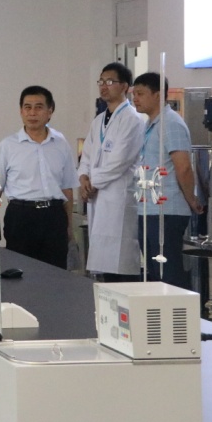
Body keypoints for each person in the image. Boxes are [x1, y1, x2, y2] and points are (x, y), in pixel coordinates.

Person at [0, 86, 79, 269]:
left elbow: (67, 188)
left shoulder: (60, 143)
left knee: (56, 273)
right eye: (27, 107)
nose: (32, 113)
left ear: (50, 111)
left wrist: (69, 225)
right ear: (21, 111)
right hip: (21, 216)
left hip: (54, 216)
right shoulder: (8, 146)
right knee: (21, 272)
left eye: (38, 107)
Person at [131, 73, 203, 288]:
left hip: (167, 211)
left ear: (158, 95)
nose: (135, 99)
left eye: (141, 94)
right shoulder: (150, 124)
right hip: (149, 210)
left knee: (168, 274)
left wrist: (192, 200)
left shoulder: (171, 123)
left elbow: (183, 167)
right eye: (134, 94)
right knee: (155, 274)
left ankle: (178, 309)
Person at [77, 63, 146, 281]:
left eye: (109, 81)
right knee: (104, 268)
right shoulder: (99, 120)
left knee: (121, 265)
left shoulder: (133, 119)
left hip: (118, 196)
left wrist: (93, 182)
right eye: (101, 81)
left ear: (124, 86)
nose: (103, 86)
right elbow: (87, 155)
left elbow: (120, 161)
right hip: (97, 196)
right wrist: (83, 177)